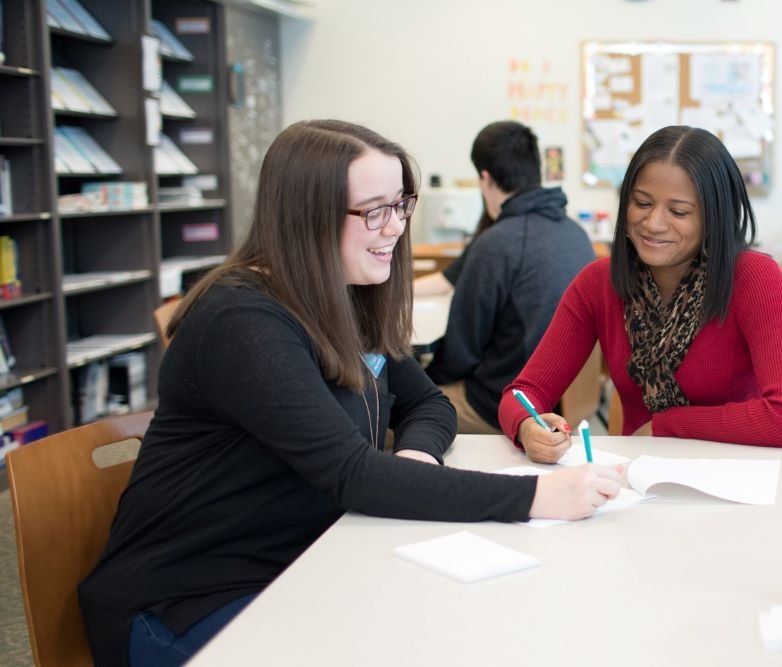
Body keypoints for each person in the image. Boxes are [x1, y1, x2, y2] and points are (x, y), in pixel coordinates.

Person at [78, 120, 622, 667]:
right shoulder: (242, 320)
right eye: (374, 210)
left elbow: (427, 401)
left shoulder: (346, 297)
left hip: (303, 563)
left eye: (401, 205)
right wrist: (536, 498)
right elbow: (352, 475)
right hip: (190, 601)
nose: (395, 228)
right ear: (305, 215)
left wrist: (416, 457)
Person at [498, 125, 782, 462]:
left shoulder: (753, 278)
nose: (653, 223)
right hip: (637, 480)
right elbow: (523, 393)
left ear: (715, 217)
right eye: (641, 203)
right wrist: (526, 426)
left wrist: (667, 426)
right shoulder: (599, 282)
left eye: (678, 212)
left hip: (742, 478)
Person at [422, 121, 595, 434]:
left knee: (390, 412)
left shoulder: (499, 243)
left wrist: (422, 381)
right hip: (560, 399)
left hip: (503, 404)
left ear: (485, 178)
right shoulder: (574, 233)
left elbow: (461, 353)